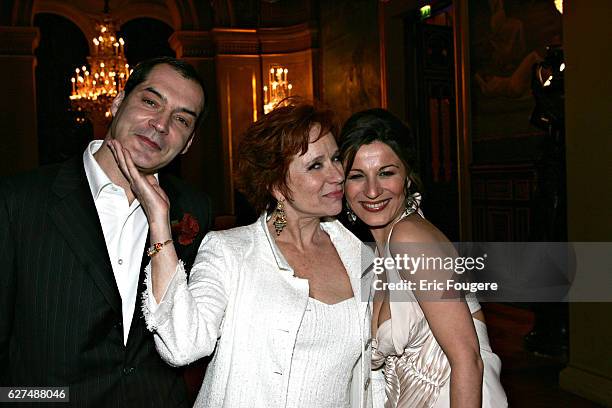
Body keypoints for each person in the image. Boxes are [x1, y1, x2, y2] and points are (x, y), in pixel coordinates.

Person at [114, 100, 378, 407]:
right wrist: (158, 222)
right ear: (277, 185)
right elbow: (181, 345)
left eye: (335, 158)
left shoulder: (361, 256)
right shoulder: (230, 252)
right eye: (315, 166)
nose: (337, 175)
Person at [0, 56, 211, 406]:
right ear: (116, 102)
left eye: (181, 119)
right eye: (150, 101)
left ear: (188, 142)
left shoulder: (194, 209)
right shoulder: (19, 201)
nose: (160, 124)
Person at [339, 109, 507, 407]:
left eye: (386, 173)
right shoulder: (377, 254)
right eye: (357, 176)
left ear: (407, 177)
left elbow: (468, 360)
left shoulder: (410, 238)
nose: (373, 190)